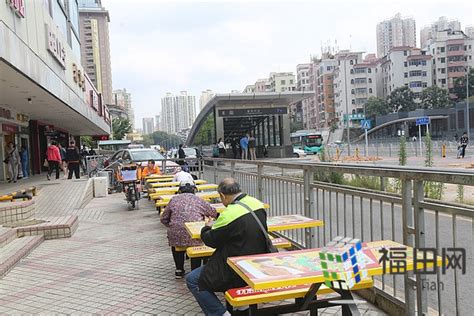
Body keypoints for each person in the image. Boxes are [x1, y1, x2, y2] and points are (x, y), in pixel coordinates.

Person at [186, 178, 271, 315]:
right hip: (258, 259)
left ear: (223, 195)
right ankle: (242, 307)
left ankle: (221, 313)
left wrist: (206, 228)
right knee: (226, 277)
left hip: (236, 264)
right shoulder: (256, 203)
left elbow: (211, 241)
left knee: (193, 280)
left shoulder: (229, 214)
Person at [161, 180, 217, 279]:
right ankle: (195, 271)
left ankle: (179, 269)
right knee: (198, 243)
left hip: (176, 235)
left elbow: (164, 218)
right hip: (194, 236)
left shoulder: (173, 199)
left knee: (176, 244)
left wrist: (172, 226)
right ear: (194, 190)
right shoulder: (198, 200)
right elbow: (213, 212)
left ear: (180, 190)